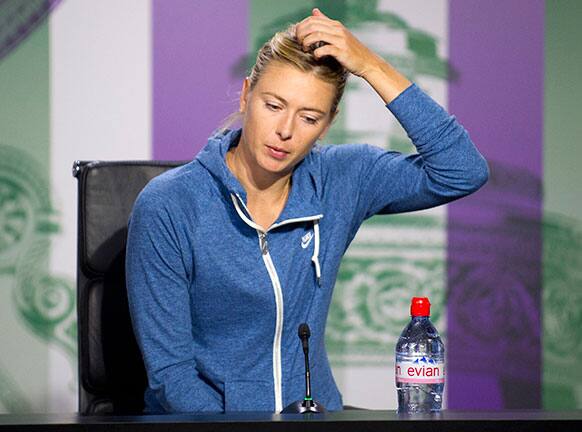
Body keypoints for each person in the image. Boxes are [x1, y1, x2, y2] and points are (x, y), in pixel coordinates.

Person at [126, 8, 489, 414]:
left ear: (328, 122)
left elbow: (463, 170)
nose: (285, 130)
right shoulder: (169, 204)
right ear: (247, 94)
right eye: (273, 105)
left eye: (309, 117)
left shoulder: (341, 178)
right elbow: (172, 377)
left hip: (315, 417)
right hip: (208, 425)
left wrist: (370, 66)